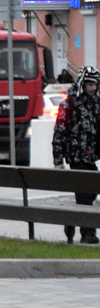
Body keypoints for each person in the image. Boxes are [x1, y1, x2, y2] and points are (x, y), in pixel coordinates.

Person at [52, 65, 100, 244]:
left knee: (92, 190)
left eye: (95, 85)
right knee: (84, 194)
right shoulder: (69, 103)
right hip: (76, 156)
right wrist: (58, 159)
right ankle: (88, 232)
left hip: (93, 156)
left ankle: (72, 220)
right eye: (89, 85)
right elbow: (60, 131)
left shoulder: (96, 102)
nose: (92, 88)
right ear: (82, 83)